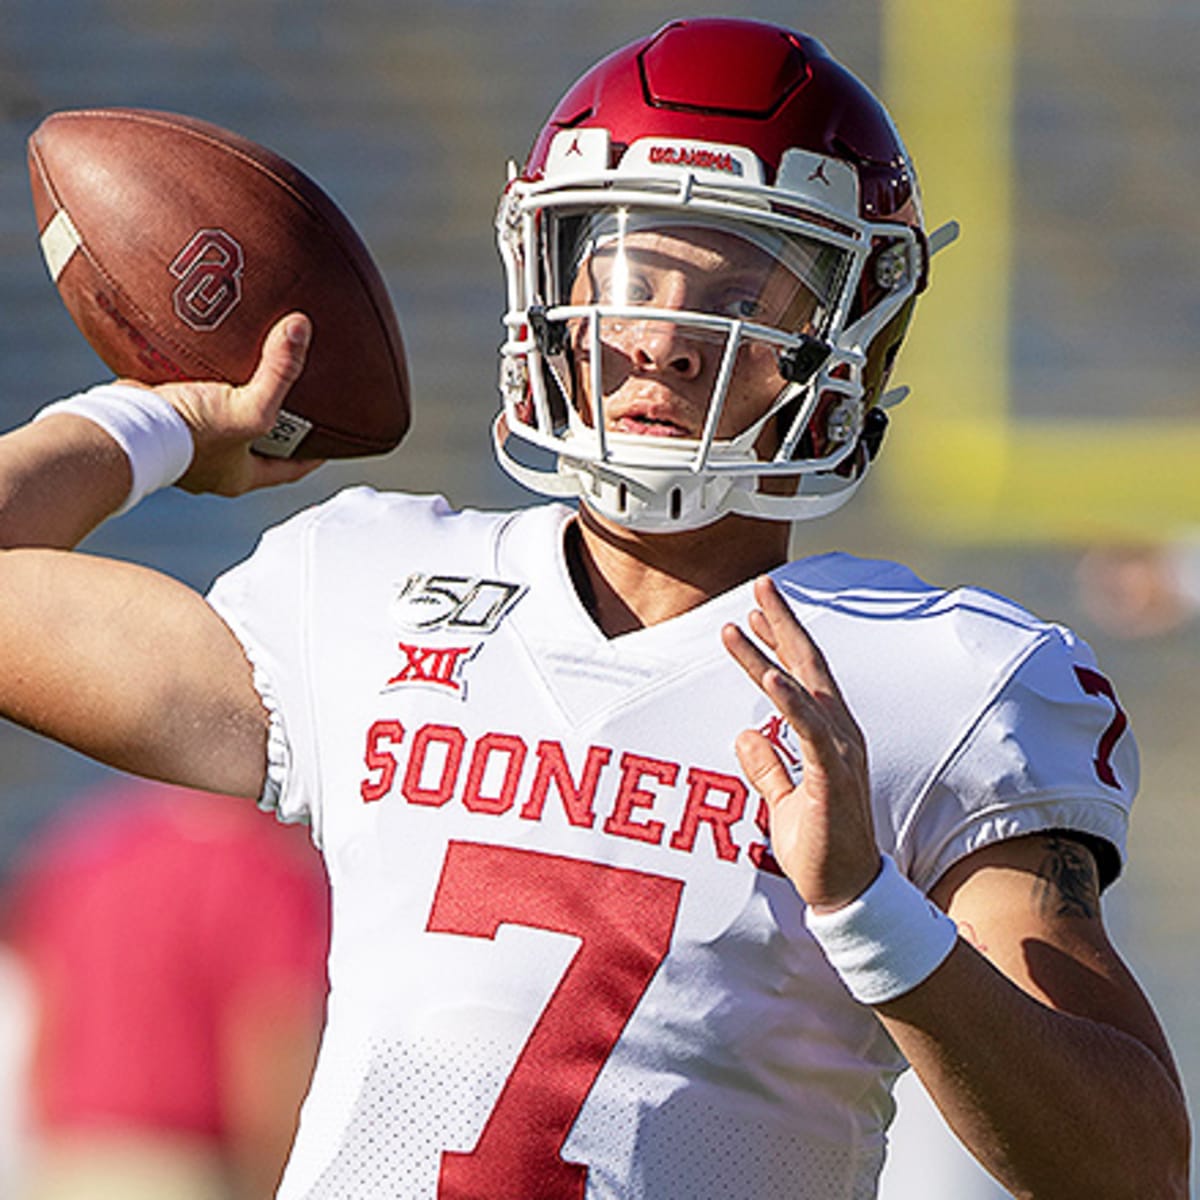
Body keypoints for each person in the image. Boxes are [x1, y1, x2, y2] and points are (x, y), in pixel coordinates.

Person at [0, 16, 1189, 1199]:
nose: (667, 334)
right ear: (548, 288)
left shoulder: (948, 680)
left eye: (741, 286)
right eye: (629, 274)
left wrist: (867, 904)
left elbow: (1131, 1169)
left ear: (845, 341)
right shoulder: (366, 589)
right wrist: (153, 423)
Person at [2, 780, 330, 1200]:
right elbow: (272, 1053)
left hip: (67, 1162)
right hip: (186, 1171)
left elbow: (43, 1015)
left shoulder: (90, 848)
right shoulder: (258, 868)